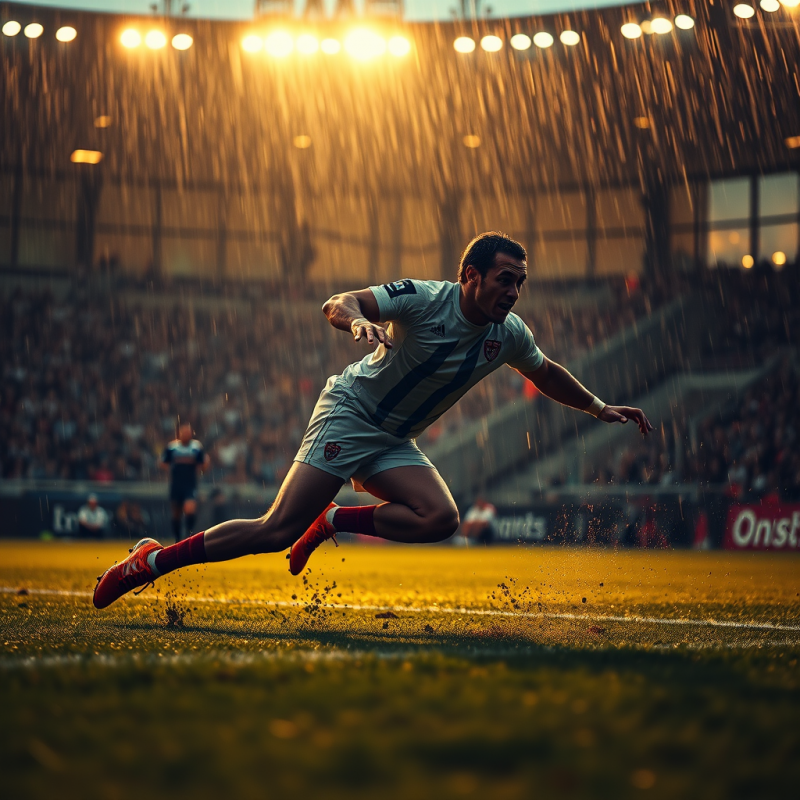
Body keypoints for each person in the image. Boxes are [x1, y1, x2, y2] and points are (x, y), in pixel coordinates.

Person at [93, 232, 653, 609]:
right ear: (470, 276)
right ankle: (151, 560)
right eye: (504, 278)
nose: (513, 291)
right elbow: (338, 302)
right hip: (350, 414)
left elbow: (547, 371)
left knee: (439, 518)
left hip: (392, 439)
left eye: (519, 282)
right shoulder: (424, 299)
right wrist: (358, 323)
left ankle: (334, 521)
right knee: (275, 531)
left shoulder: (508, 335)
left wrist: (599, 407)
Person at [159, 422, 210, 542]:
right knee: (176, 512)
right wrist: (171, 471)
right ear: (179, 433)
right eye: (184, 432)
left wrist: (202, 469)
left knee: (189, 509)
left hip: (190, 485)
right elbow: (162, 462)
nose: (186, 434)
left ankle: (188, 536)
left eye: (188, 432)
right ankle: (177, 539)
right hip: (176, 484)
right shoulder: (172, 447)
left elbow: (203, 463)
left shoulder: (196, 447)